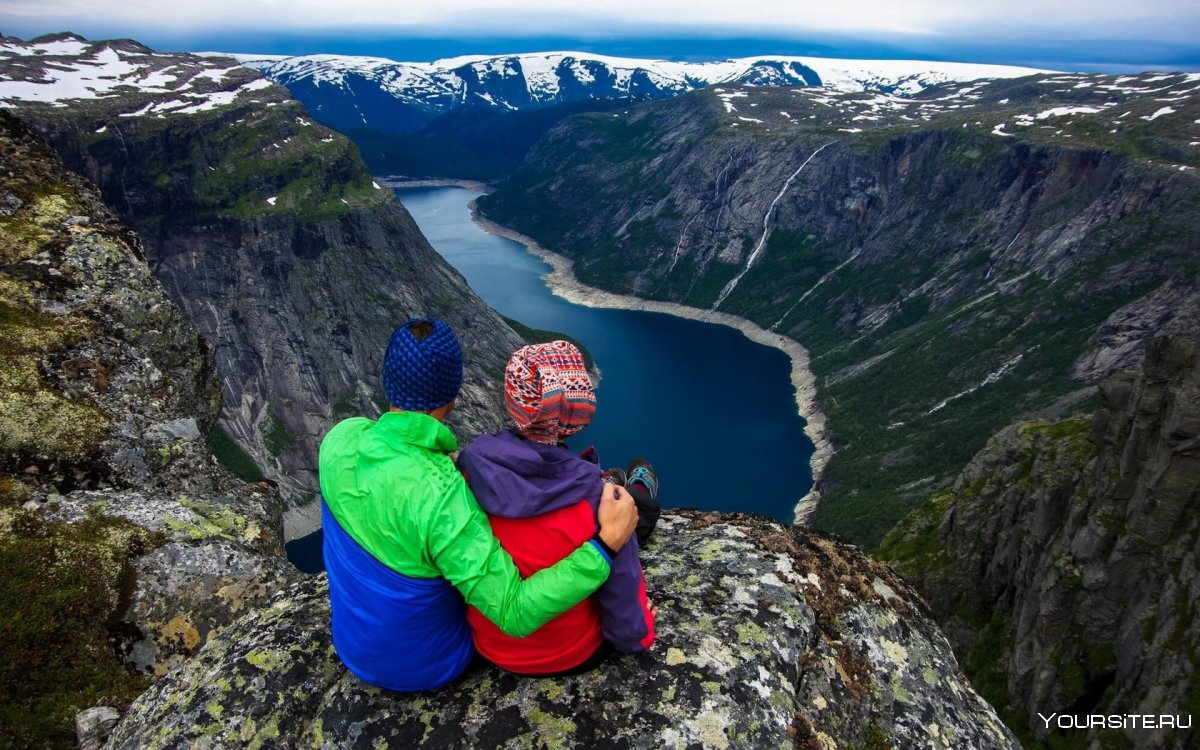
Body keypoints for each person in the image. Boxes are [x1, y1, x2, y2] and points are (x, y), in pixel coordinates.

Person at [318, 318, 639, 692]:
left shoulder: (339, 440)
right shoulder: (444, 496)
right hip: (427, 666)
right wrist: (604, 547)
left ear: (387, 380)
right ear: (454, 397)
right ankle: (639, 492)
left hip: (352, 647)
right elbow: (513, 611)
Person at [456, 340, 660, 676]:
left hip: (492, 647)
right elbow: (623, 597)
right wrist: (641, 632)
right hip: (572, 654)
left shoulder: (468, 470)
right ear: (578, 410)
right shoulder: (594, 498)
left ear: (514, 400)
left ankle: (633, 485)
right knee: (624, 509)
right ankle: (639, 488)